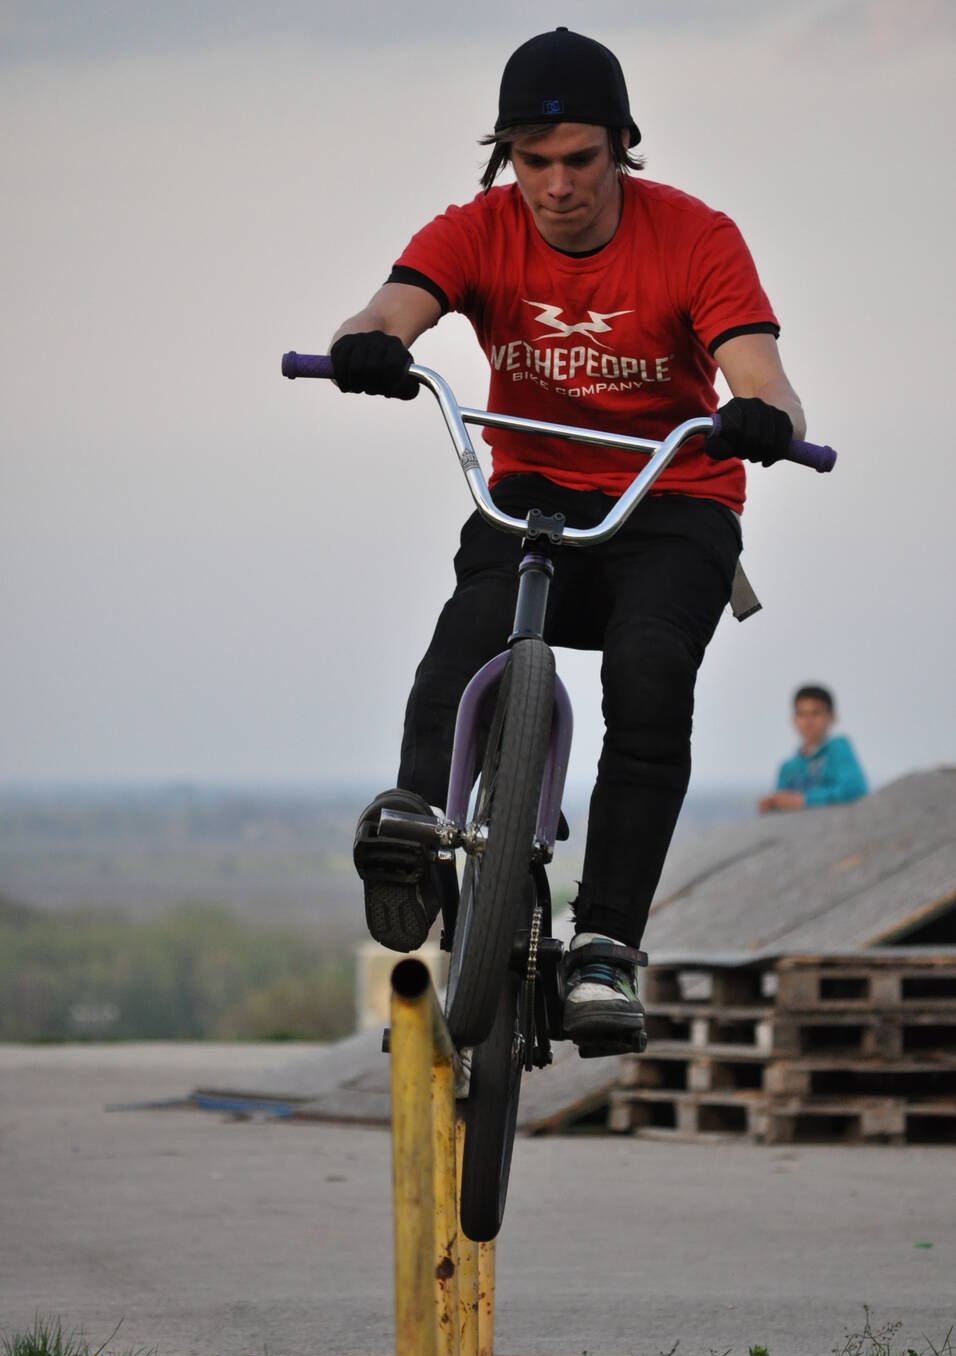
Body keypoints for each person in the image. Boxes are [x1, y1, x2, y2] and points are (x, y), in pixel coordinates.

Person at [331, 27, 808, 1043]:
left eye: (580, 159)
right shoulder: (477, 230)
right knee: (465, 639)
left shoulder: (694, 237)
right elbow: (386, 309)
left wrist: (763, 416)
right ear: (505, 156)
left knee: (649, 672)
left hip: (670, 502)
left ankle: (603, 949)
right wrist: (367, 345)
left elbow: (761, 375)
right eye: (531, 160)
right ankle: (417, 834)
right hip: (536, 492)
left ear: (622, 146)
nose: (555, 186)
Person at [758, 684, 867, 813]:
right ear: (794, 719)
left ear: (831, 717)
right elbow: (782, 806)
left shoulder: (838, 749)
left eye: (816, 713)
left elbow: (856, 789)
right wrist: (772, 804)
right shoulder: (787, 767)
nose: (808, 721)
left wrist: (804, 800)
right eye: (802, 714)